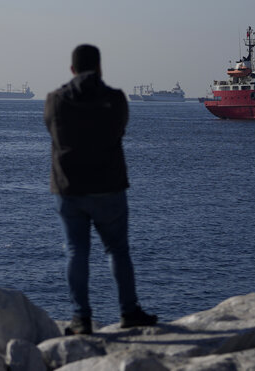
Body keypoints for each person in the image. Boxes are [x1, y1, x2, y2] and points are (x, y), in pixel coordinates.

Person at [44, 43, 158, 335]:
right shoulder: (116, 99)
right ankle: (128, 311)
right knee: (117, 250)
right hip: (109, 187)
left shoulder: (55, 100)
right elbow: (120, 129)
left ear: (71, 69)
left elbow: (51, 130)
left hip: (69, 189)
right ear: (100, 67)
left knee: (75, 252)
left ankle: (81, 319)